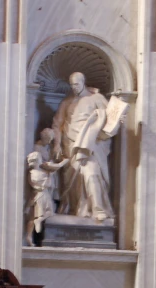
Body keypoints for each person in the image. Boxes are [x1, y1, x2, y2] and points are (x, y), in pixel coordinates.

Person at [51, 72, 120, 220]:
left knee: (92, 173)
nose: (74, 87)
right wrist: (57, 144)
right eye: (71, 85)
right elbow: (57, 124)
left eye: (76, 84)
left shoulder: (96, 98)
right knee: (75, 179)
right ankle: (78, 210)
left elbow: (110, 119)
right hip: (70, 143)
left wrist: (118, 119)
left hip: (90, 144)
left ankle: (98, 208)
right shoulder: (67, 102)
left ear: (83, 82)